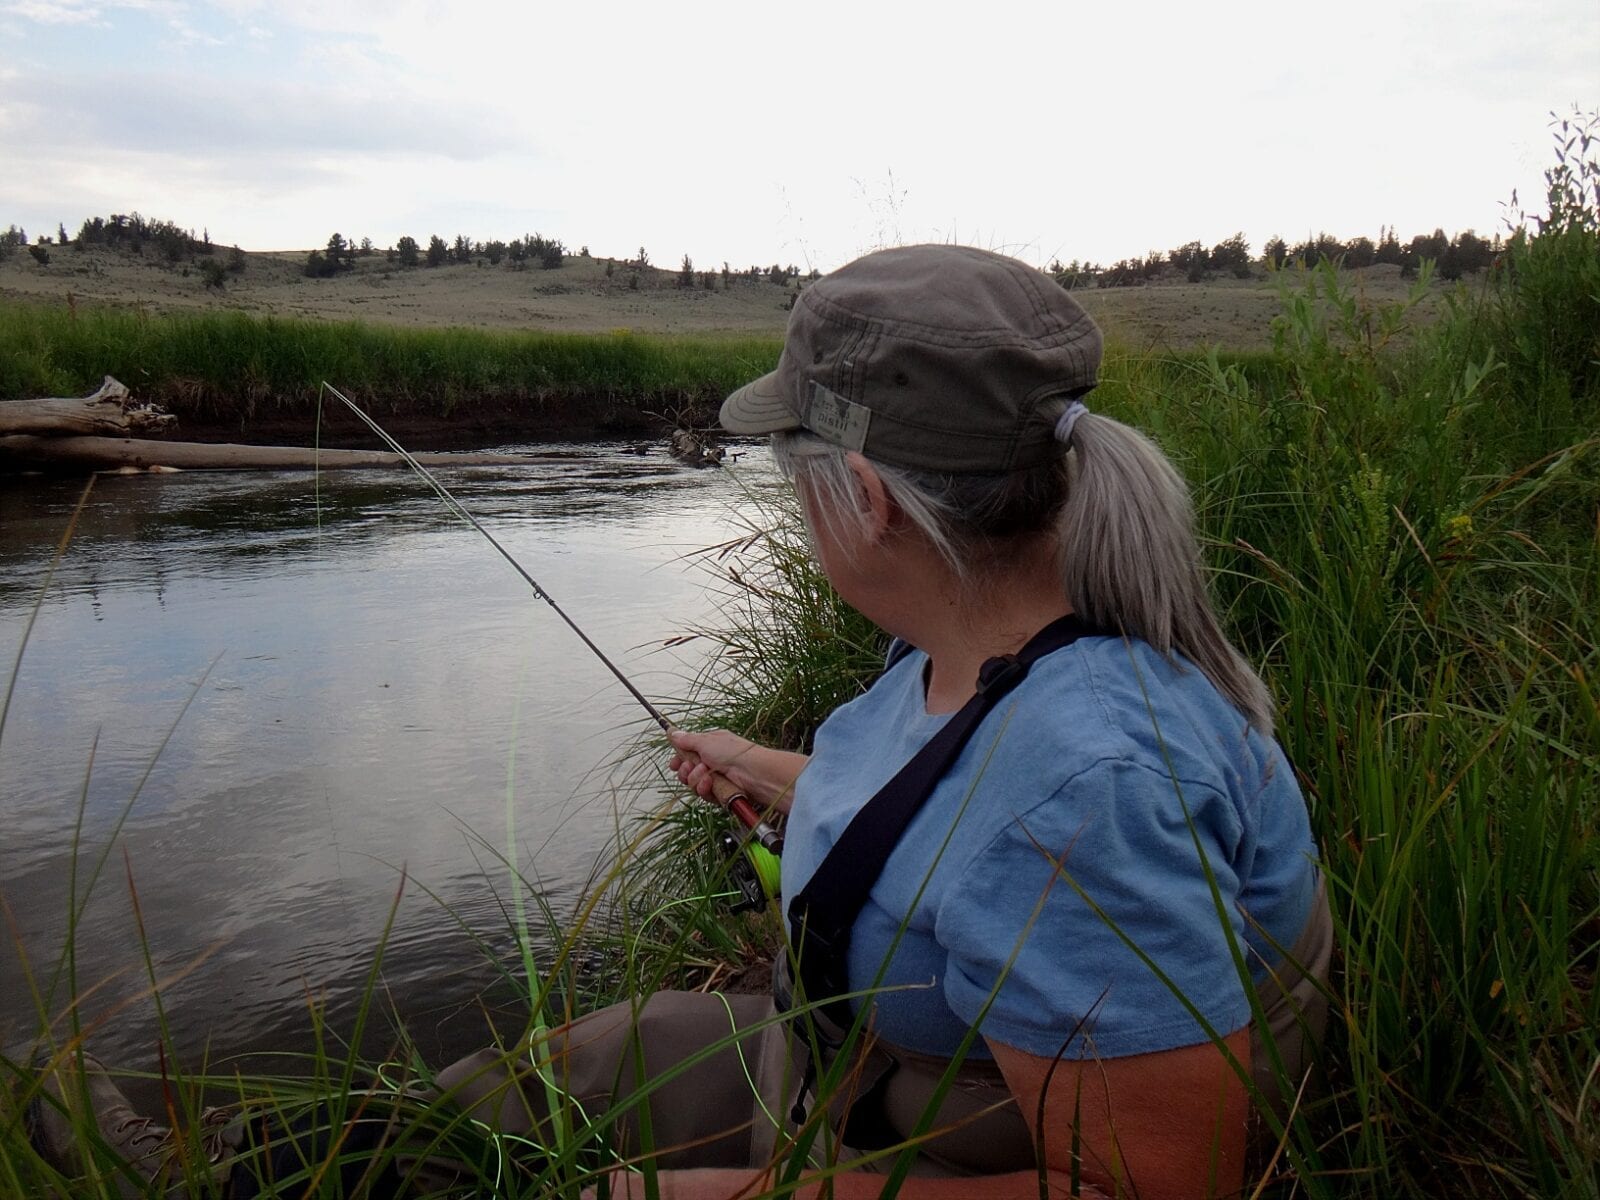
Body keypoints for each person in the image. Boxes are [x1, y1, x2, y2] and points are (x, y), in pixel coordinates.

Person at [25, 246, 1329, 1200]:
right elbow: (956, 806)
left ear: (865, 499)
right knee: (545, 1075)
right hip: (859, 1044)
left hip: (942, 1128)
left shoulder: (1083, 794)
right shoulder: (991, 635)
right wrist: (782, 775)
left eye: (792, 466)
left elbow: (1156, 1186)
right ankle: (230, 1176)